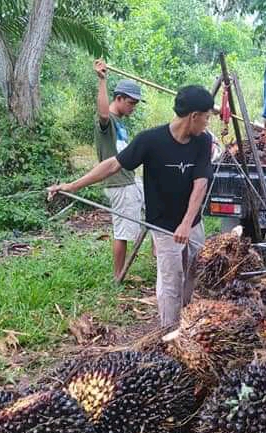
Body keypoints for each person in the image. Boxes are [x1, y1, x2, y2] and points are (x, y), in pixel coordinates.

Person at [47, 86, 214, 328]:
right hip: (164, 224)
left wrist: (187, 222)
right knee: (171, 280)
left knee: (193, 272)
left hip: (192, 222)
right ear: (194, 116)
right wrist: (73, 185)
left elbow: (200, 184)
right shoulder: (150, 140)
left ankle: (186, 323)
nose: (208, 123)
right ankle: (168, 332)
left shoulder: (203, 141)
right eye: (207, 117)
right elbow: (113, 165)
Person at [93, 59, 144, 283]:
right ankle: (118, 276)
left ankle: (148, 257)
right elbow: (103, 114)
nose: (133, 108)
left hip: (130, 180)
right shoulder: (109, 122)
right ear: (119, 98)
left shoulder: (122, 122)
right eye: (131, 103)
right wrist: (102, 80)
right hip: (118, 183)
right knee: (122, 231)